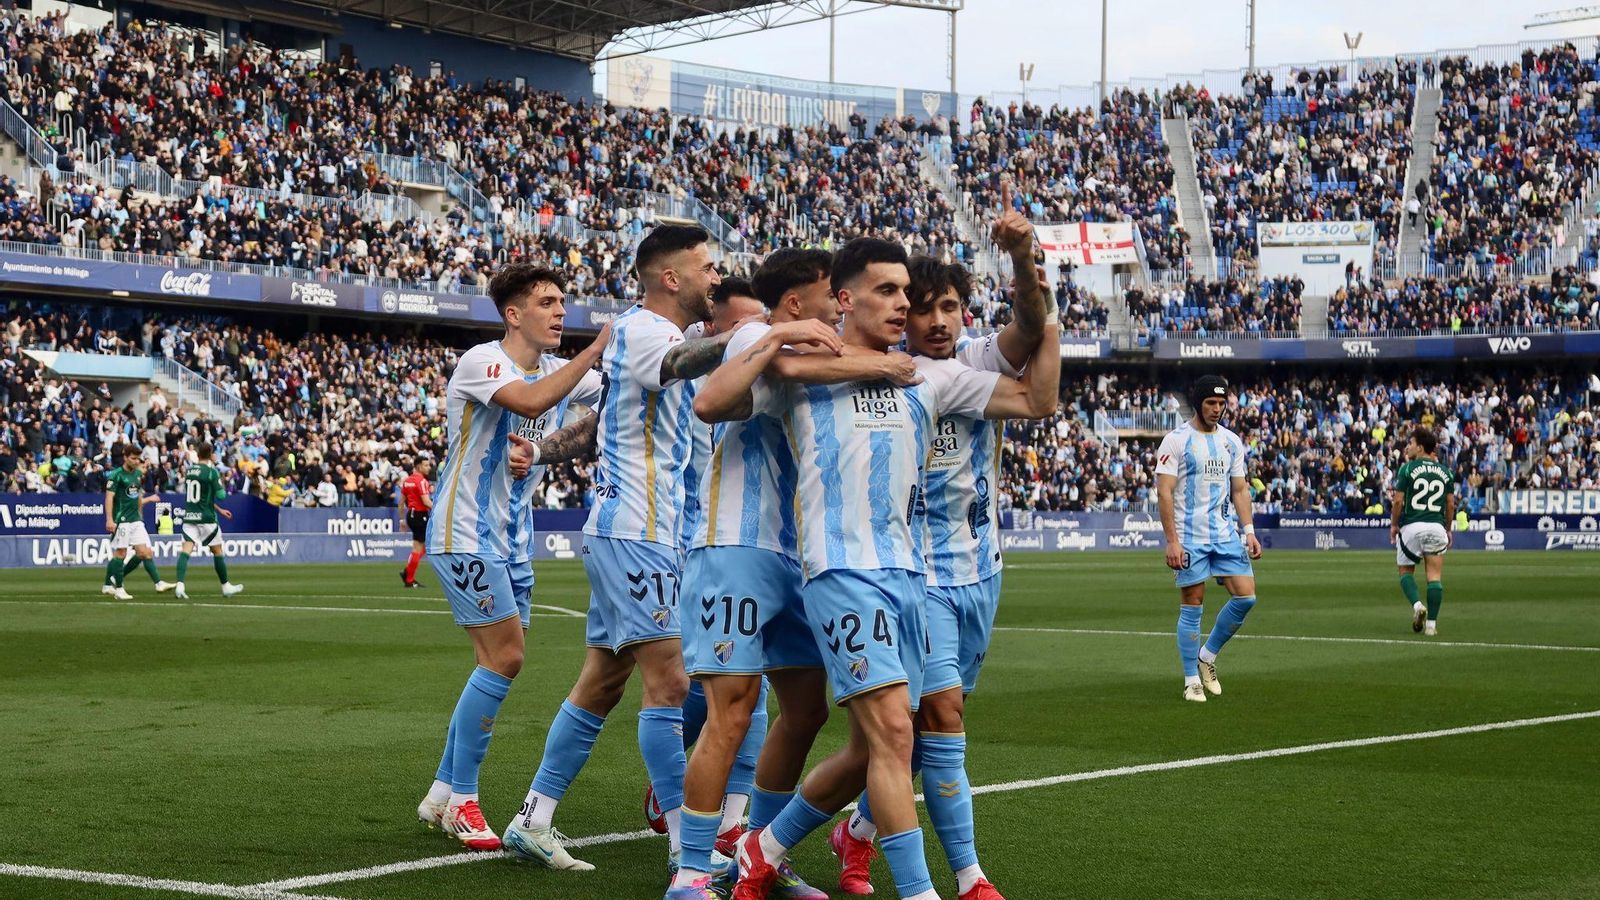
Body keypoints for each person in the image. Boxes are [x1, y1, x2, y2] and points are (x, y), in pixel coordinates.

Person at [698, 237, 1058, 900]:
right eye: (888, 292)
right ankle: (926, 890)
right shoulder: (801, 374)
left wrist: (1047, 310)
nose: (902, 305)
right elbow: (711, 401)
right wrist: (777, 339)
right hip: (839, 573)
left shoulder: (930, 376)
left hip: (911, 578)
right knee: (895, 731)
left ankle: (762, 847)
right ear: (845, 299)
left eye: (907, 294)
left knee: (879, 749)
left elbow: (1037, 400)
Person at [669, 250, 921, 900]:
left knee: (805, 710)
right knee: (733, 711)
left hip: (797, 557)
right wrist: (790, 338)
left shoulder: (815, 360)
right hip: (737, 545)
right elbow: (708, 401)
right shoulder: (762, 334)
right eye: (824, 295)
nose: (838, 306)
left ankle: (758, 849)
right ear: (797, 302)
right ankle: (692, 872)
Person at [506, 225, 750, 880]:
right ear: (670, 278)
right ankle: (687, 847)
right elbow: (675, 368)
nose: (715, 277)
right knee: (670, 682)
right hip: (639, 531)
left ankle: (533, 817)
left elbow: (602, 422)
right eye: (704, 267)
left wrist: (544, 450)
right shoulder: (650, 332)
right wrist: (752, 338)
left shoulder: (651, 335)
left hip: (644, 531)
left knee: (603, 682)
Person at [834, 200, 1056, 900]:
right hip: (915, 577)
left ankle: (855, 833)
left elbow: (1029, 326)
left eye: (950, 308)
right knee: (943, 718)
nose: (935, 321)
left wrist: (1023, 258)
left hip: (981, 572)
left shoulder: (976, 363)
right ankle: (969, 878)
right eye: (922, 308)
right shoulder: (885, 376)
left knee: (930, 739)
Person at [413, 263, 610, 853]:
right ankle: (465, 801)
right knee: (505, 658)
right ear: (513, 314)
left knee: (493, 661)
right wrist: (600, 346)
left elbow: (614, 398)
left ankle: (443, 791)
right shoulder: (482, 361)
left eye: (563, 301)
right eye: (547, 302)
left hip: (512, 536)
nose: (560, 312)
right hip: (464, 529)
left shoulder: (557, 370)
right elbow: (530, 397)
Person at [1157, 375, 1263, 703]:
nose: (1217, 409)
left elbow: (1240, 489)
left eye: (1221, 403)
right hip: (1190, 537)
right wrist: (1172, 541)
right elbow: (1164, 491)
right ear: (1198, 403)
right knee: (1193, 604)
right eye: (1210, 403)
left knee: (1246, 597)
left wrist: (1249, 531)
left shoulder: (1231, 441)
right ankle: (1191, 679)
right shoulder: (1176, 440)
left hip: (1225, 533)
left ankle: (1207, 656)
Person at [1390, 426, 1455, 636]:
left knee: (1404, 571)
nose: (1407, 447)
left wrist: (1394, 524)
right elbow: (1450, 504)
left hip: (1412, 526)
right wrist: (1448, 528)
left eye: (1410, 443)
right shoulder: (1446, 472)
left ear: (1420, 447)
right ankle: (1431, 627)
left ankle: (1418, 606)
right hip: (1436, 527)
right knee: (1434, 577)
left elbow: (1398, 500)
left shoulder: (1407, 469)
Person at [102, 444, 172, 600]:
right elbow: (109, 498)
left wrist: (141, 512)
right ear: (125, 457)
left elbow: (137, 498)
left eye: (137, 459)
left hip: (135, 520)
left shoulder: (137, 475)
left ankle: (158, 583)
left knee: (145, 552)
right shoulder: (116, 475)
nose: (135, 461)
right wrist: (109, 519)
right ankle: (118, 589)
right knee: (121, 553)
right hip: (122, 520)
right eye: (132, 458)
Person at [173, 443, 243, 600]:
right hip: (206, 518)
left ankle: (180, 585)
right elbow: (221, 495)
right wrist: (224, 482)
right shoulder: (211, 472)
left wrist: (219, 510)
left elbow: (201, 496)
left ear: (198, 454)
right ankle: (226, 587)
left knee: (185, 551)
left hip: (190, 516)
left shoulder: (190, 471)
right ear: (211, 454)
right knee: (217, 551)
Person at [400, 459, 434, 588]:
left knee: (420, 546)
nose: (429, 467)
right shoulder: (421, 481)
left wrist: (402, 519)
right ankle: (409, 578)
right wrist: (439, 510)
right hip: (421, 515)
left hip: (411, 515)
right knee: (426, 545)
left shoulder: (407, 481)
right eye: (426, 465)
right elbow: (426, 502)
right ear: (419, 466)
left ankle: (408, 572)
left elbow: (401, 502)